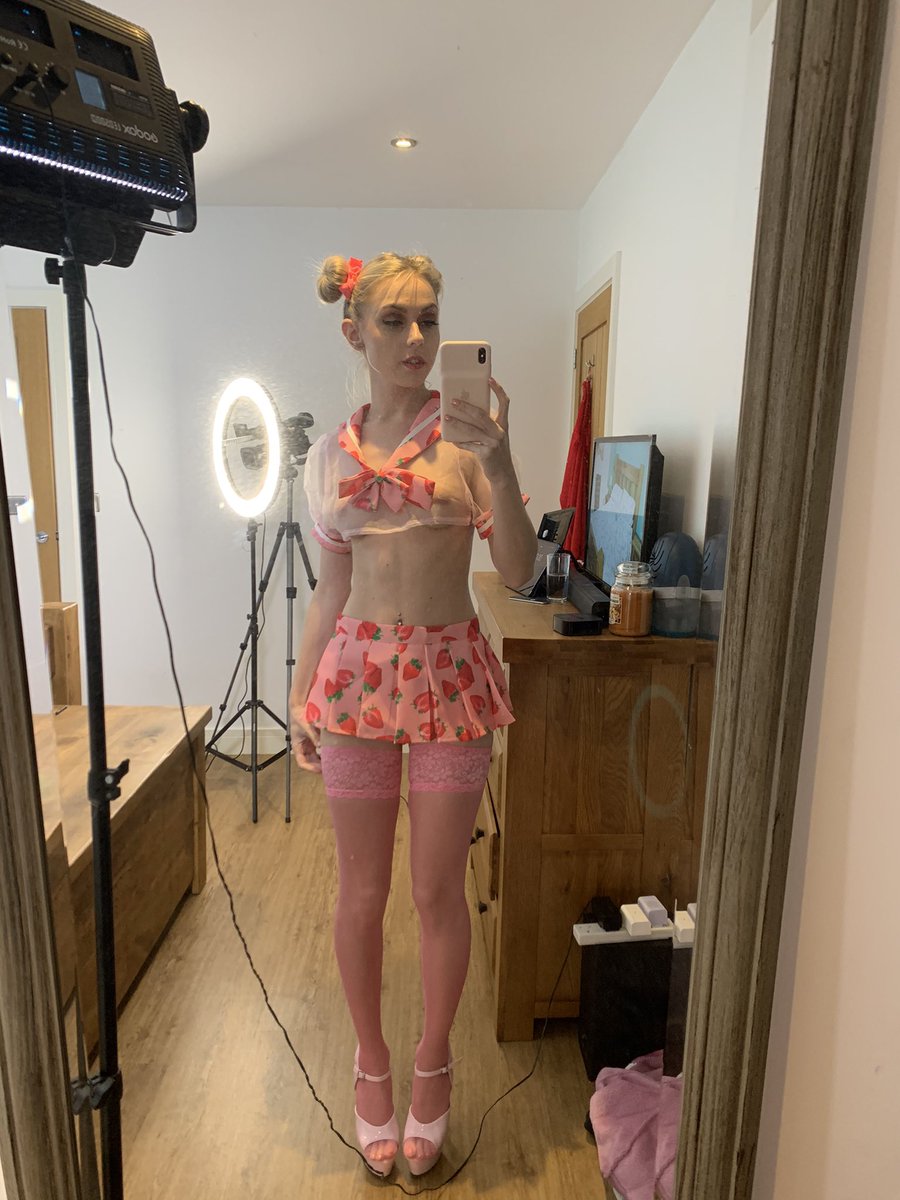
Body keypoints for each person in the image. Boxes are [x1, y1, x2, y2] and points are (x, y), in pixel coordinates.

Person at [289, 252, 535, 1178]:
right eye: (394, 320)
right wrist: (300, 692)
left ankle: (433, 1065)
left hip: (450, 679)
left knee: (437, 891)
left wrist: (501, 462)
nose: (418, 338)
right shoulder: (327, 457)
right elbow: (330, 588)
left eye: (429, 318)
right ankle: (371, 1064)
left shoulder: (468, 441)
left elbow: (519, 573)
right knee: (360, 893)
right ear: (353, 331)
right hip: (354, 684)